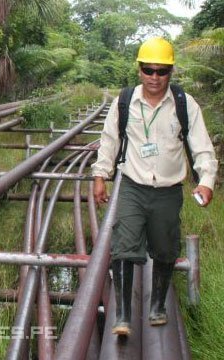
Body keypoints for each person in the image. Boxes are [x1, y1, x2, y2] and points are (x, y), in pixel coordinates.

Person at [91, 37, 219, 336]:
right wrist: (100, 175)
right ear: (139, 70)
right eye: (149, 70)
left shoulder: (185, 105)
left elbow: (202, 149)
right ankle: (123, 314)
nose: (154, 77)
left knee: (164, 249)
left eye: (161, 71)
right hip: (132, 186)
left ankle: (158, 304)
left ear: (171, 72)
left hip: (168, 191)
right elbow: (109, 142)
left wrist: (207, 181)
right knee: (123, 246)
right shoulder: (124, 102)